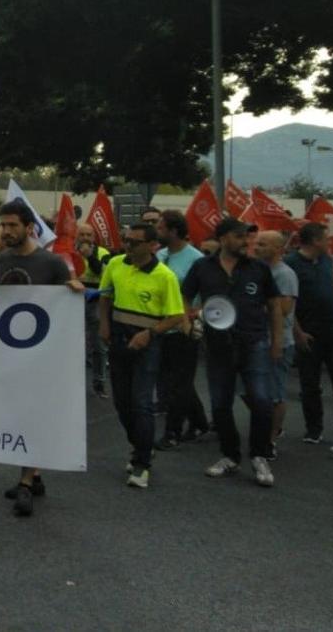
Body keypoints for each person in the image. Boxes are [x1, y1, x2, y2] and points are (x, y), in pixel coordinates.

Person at [0, 201, 85, 515]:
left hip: (41, 356)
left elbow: (64, 308)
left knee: (32, 415)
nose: (6, 231)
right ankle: (34, 473)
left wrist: (72, 291)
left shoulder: (52, 263)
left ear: (30, 227)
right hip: (8, 355)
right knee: (15, 415)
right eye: (4, 225)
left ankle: (26, 483)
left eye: (13, 225)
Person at [181, 218, 282, 488]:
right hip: (217, 346)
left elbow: (274, 306)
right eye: (239, 237)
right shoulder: (202, 267)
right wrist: (187, 321)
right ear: (224, 238)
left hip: (254, 342)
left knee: (261, 400)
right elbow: (184, 297)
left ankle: (260, 455)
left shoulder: (258, 269)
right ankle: (230, 455)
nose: (245, 242)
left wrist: (277, 342)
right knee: (221, 404)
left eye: (247, 238)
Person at [98, 222, 184, 490]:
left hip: (148, 342)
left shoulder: (164, 276)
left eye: (135, 242)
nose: (129, 246)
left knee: (142, 402)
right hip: (119, 338)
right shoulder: (115, 264)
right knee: (122, 403)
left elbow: (176, 316)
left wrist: (150, 333)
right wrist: (104, 324)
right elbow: (105, 296)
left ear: (151, 245)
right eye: (127, 240)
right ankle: (140, 445)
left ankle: (142, 463)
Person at [284, 223, 333, 444]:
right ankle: (314, 429)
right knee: (310, 383)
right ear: (315, 240)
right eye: (326, 238)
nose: (330, 242)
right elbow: (287, 303)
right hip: (308, 331)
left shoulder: (327, 261)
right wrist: (298, 332)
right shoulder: (291, 264)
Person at [153, 210, 210, 449]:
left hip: (183, 328)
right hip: (160, 326)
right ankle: (199, 422)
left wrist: (193, 316)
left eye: (160, 227)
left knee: (179, 383)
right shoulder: (159, 255)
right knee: (175, 381)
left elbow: (204, 296)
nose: (156, 231)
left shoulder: (196, 259)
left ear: (174, 231)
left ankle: (172, 432)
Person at [254, 230, 297, 455]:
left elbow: (285, 309)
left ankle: (271, 438)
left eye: (262, 244)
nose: (256, 247)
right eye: (256, 243)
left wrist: (254, 305)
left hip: (277, 341)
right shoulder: (258, 270)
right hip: (257, 340)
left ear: (278, 249)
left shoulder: (284, 275)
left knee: (275, 393)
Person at [77, 223, 112, 398]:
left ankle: (99, 383)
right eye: (81, 234)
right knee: (74, 344)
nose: (85, 238)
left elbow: (103, 274)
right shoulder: (69, 250)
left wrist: (90, 256)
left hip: (95, 300)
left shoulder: (103, 253)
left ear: (94, 237)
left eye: (88, 235)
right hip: (73, 299)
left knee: (98, 345)